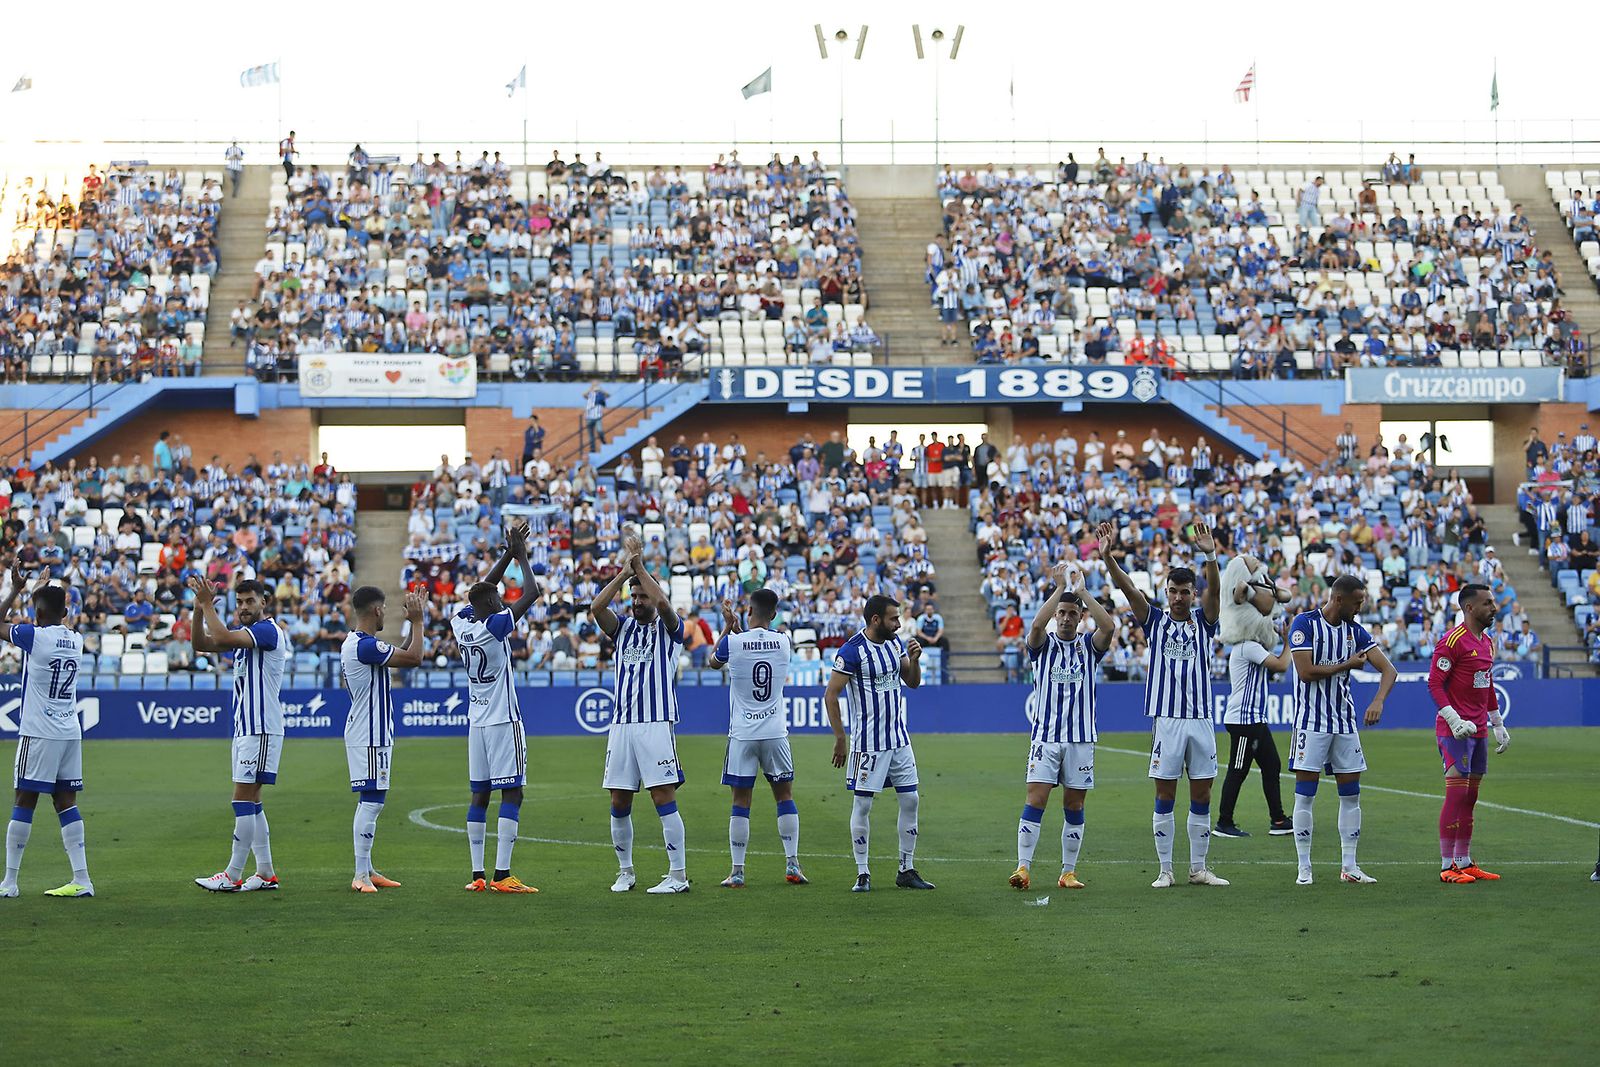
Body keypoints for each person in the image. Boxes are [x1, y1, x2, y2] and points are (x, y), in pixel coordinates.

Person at [1098, 520, 1228, 888]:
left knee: (1202, 792)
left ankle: (1198, 868)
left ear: (1193, 593)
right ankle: (1166, 869)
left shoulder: (1205, 622)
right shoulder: (1154, 621)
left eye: (1185, 592)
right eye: (1172, 591)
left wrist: (1210, 556)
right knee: (1165, 792)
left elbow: (1215, 591)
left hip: (1201, 719)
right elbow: (1127, 589)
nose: (1178, 598)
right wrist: (1109, 559)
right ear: (1166, 592)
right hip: (1167, 720)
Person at [590, 537, 690, 894]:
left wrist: (641, 566)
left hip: (655, 723)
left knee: (662, 796)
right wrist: (624, 573)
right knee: (619, 800)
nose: (636, 602)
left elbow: (663, 602)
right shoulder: (623, 629)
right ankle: (626, 871)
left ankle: (678, 875)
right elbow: (596, 608)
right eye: (633, 598)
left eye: (640, 596)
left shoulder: (669, 630)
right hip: (622, 725)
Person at [1287, 574, 1398, 886]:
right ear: (1339, 599)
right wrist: (1346, 665)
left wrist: (1378, 700)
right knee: (1305, 795)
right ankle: (1304, 867)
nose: (1361, 607)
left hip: (1345, 723)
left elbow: (1389, 670)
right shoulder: (1305, 624)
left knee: (1351, 795)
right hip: (1310, 723)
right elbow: (1306, 672)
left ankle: (1349, 866)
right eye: (1357, 601)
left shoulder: (1355, 632)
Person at [1009, 563, 1115, 892]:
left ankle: (1068, 872)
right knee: (1036, 799)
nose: (1067, 618)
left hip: (1081, 739)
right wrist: (1058, 591)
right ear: (1057, 615)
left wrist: (1082, 592)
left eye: (1073, 613)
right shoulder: (1043, 647)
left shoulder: (1088, 648)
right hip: (1046, 738)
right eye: (1062, 613)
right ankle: (1023, 867)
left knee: (1075, 805)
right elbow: (1036, 626)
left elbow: (1109, 627)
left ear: (1080, 617)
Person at [450, 523, 540, 893]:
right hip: (504, 720)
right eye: (500, 600)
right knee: (513, 792)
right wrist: (520, 554)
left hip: (477, 722)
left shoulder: (461, 624)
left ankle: (477, 876)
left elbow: (481, 593)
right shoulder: (496, 625)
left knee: (479, 795)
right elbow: (532, 592)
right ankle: (502, 875)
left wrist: (504, 555)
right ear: (492, 607)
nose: (504, 601)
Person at [823, 594, 934, 893]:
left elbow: (911, 682)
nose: (898, 624)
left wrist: (915, 661)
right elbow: (831, 695)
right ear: (875, 620)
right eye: (893, 618)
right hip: (868, 743)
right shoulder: (852, 651)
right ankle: (862, 872)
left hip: (899, 739)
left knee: (911, 800)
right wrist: (840, 738)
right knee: (862, 804)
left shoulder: (896, 644)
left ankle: (906, 869)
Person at [191, 577, 292, 893]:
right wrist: (198, 608)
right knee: (253, 800)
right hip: (247, 728)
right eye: (240, 602)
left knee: (242, 798)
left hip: (259, 727)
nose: (245, 607)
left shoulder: (267, 631)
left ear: (264, 602)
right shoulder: (244, 638)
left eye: (250, 601)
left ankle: (232, 875)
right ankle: (265, 873)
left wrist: (207, 604)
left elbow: (218, 634)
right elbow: (202, 643)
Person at [1, 569, 93, 898]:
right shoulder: (76, 639)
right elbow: (44, 616)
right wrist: (36, 593)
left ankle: (10, 882)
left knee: (23, 800)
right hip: (70, 730)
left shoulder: (34, 636)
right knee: (66, 803)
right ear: (66, 613)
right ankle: (82, 878)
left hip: (39, 731)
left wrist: (15, 590)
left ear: (37, 613)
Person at [706, 590, 805, 888]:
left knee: (741, 801)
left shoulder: (734, 642)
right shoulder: (784, 641)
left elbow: (714, 661)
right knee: (784, 796)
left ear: (749, 611)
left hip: (743, 735)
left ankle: (737, 871)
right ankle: (792, 864)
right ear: (774, 614)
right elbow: (758, 643)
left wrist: (727, 626)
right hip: (775, 733)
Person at [341, 587, 428, 894]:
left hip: (368, 731)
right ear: (376, 611)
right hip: (369, 733)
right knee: (372, 802)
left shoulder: (360, 644)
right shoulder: (365, 646)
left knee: (372, 800)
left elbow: (400, 656)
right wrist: (418, 621)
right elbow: (415, 658)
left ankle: (367, 869)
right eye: (386, 609)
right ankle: (360, 875)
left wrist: (411, 625)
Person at [1428, 584, 1511, 884]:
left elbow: (1486, 684)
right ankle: (1447, 865)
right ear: (1469, 608)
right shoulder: (1452, 642)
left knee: (1471, 795)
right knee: (1457, 793)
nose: (1494, 607)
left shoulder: (1487, 642)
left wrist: (1497, 722)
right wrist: (1451, 718)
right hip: (1455, 731)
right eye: (1487, 603)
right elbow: (1435, 684)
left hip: (1478, 730)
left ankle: (1463, 860)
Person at [1215, 570, 1294, 839]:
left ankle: (1279, 819)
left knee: (1272, 766)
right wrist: (1287, 642)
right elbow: (1282, 664)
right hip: (1243, 721)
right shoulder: (1248, 647)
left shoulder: (1250, 646)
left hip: (1254, 719)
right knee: (1238, 770)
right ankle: (1224, 822)